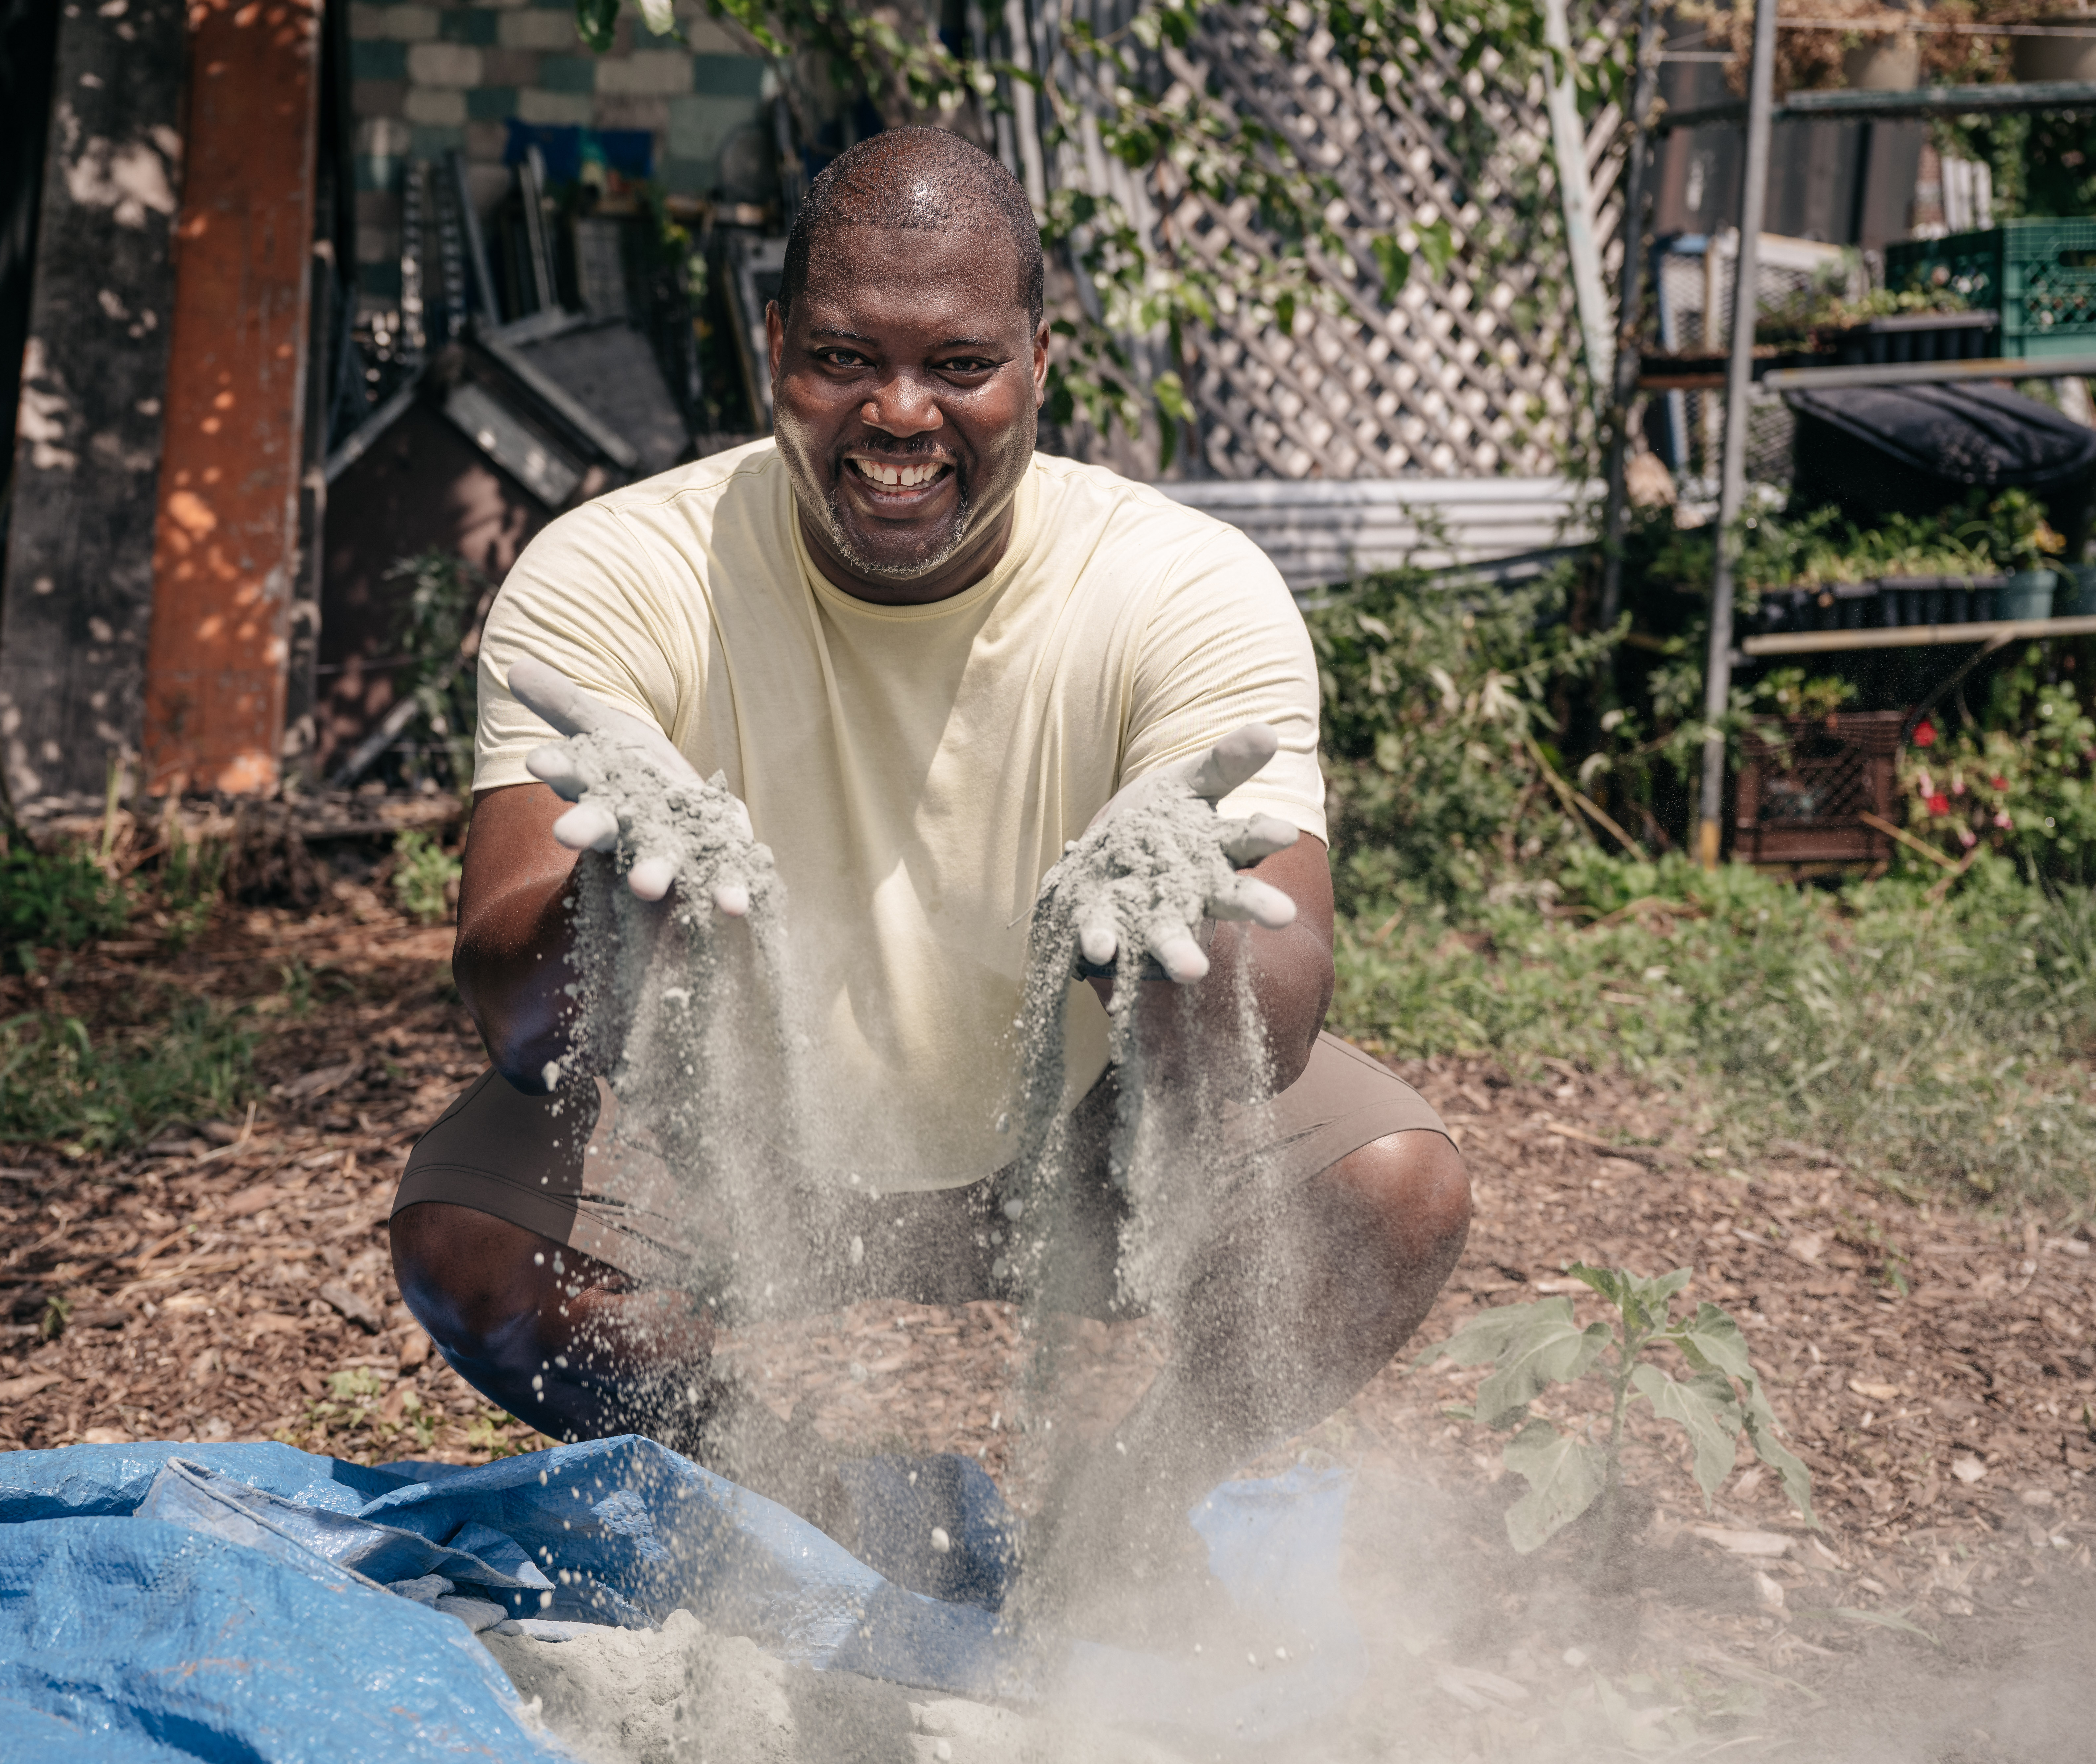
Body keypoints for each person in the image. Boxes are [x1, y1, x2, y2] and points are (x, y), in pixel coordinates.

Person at [389, 126, 1471, 1573]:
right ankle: (813, 1506)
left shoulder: (1184, 587)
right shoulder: (618, 573)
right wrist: (611, 906)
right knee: (472, 1239)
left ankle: (1121, 1518)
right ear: (772, 344)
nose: (900, 414)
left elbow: (1265, 1031)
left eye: (961, 365)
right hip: (738, 1128)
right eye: (843, 358)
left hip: (1075, 1117)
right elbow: (520, 1031)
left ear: (1040, 359)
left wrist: (1175, 942)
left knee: (1389, 1187)